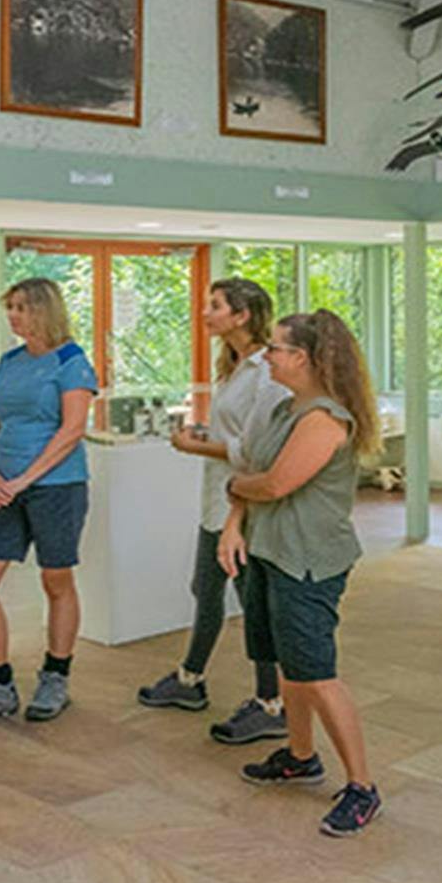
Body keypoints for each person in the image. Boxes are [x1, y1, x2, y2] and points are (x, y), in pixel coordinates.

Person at [219, 309, 383, 837]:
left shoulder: (324, 420)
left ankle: (362, 787)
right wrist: (233, 522)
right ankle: (300, 754)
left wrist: (236, 490)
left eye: (276, 348)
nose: (267, 356)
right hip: (270, 552)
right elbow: (250, 475)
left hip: (309, 562)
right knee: (290, 668)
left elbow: (270, 484)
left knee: (315, 672)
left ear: (304, 359)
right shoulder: (286, 410)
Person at [138, 278, 291, 745]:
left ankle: (272, 704)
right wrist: (206, 441)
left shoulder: (266, 372)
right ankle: (189, 680)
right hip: (216, 501)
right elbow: (236, 437)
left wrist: (195, 446)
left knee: (251, 602)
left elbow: (258, 448)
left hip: (241, 507)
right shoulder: (234, 366)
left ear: (242, 315)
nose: (205, 313)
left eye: (215, 306)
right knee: (205, 589)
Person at [0, 277, 98, 724]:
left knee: (56, 582)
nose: (13, 315)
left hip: (57, 488)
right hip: (4, 490)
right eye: (9, 306)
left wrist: (26, 477)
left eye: (22, 307)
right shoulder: (9, 362)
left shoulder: (71, 361)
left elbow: (72, 430)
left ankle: (55, 677)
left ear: (44, 311)